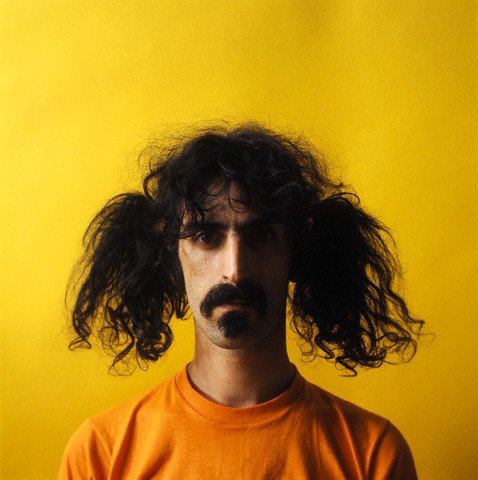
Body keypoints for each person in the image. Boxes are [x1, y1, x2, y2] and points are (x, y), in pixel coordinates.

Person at [59, 124, 423, 479]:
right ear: (170, 259)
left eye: (261, 235)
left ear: (298, 255)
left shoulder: (371, 454)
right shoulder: (102, 453)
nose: (234, 270)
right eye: (206, 237)